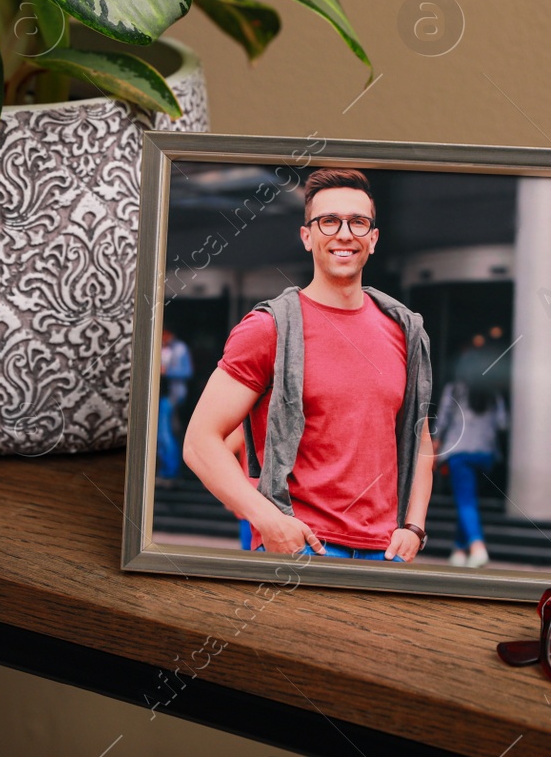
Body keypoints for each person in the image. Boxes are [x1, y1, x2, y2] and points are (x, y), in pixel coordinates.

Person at [183, 168, 436, 562]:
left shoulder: (404, 330)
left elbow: (418, 436)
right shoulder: (269, 328)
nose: (344, 233)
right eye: (329, 221)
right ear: (307, 236)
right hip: (303, 548)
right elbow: (200, 442)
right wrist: (267, 520)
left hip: (385, 555)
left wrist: (414, 528)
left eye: (358, 222)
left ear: (373, 238)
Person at [436, 333, 509, 568]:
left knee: (465, 501)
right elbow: (503, 424)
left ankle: (478, 548)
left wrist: (436, 446)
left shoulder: (455, 390)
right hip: (485, 456)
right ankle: (458, 550)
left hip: (460, 454)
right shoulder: (492, 394)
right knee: (467, 500)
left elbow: (442, 423)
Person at [156, 328, 193, 482]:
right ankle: (166, 469)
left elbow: (187, 371)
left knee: (166, 433)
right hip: (161, 395)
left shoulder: (179, 348)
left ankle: (171, 471)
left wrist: (167, 371)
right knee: (160, 435)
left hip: (172, 396)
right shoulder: (162, 347)